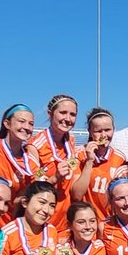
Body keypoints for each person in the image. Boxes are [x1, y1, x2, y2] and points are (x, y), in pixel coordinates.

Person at [0, 104, 43, 225]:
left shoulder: (31, 163)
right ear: (7, 124)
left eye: (31, 123)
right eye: (21, 121)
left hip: (9, 226)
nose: (27, 127)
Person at [30, 94, 80, 234]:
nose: (68, 119)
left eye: (72, 114)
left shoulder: (71, 140)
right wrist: (55, 178)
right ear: (50, 114)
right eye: (63, 113)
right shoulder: (35, 146)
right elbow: (33, 189)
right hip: (43, 223)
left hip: (66, 222)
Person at [71, 108, 127, 220]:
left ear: (114, 129)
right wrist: (89, 161)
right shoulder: (77, 155)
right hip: (85, 223)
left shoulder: (120, 158)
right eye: (98, 131)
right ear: (90, 131)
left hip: (109, 223)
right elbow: (76, 195)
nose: (103, 135)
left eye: (107, 130)